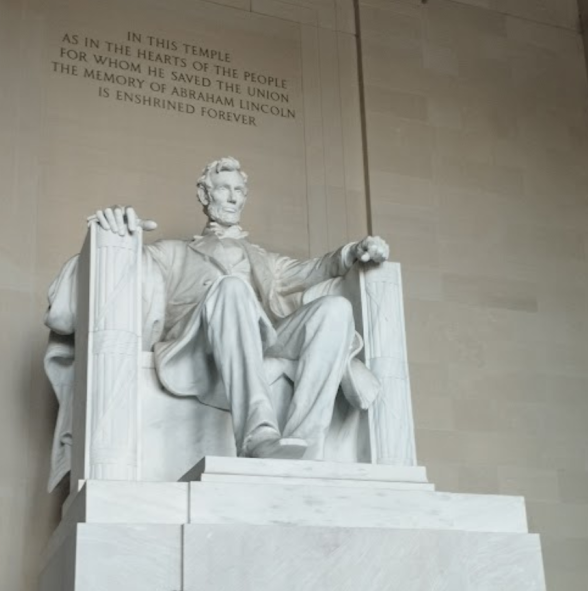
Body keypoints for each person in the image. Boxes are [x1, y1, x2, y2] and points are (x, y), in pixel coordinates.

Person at [44, 156, 390, 481]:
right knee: (232, 289)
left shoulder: (263, 260)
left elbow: (313, 269)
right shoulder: (173, 252)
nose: (233, 197)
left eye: (239, 190)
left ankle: (306, 444)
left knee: (336, 310)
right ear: (204, 194)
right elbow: (130, 267)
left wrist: (352, 252)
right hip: (197, 345)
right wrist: (118, 229)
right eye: (224, 188)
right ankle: (257, 435)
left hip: (260, 340)